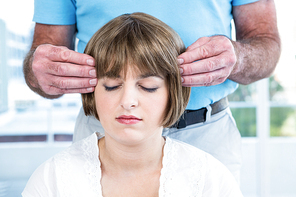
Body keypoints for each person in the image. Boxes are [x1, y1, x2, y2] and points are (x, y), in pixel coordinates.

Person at [23, 0, 281, 181]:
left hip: (206, 134)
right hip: (103, 134)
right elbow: (43, 56)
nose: (130, 100)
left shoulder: (213, 177)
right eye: (114, 84)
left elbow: (266, 45)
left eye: (148, 86)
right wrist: (39, 72)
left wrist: (239, 56)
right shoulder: (53, 178)